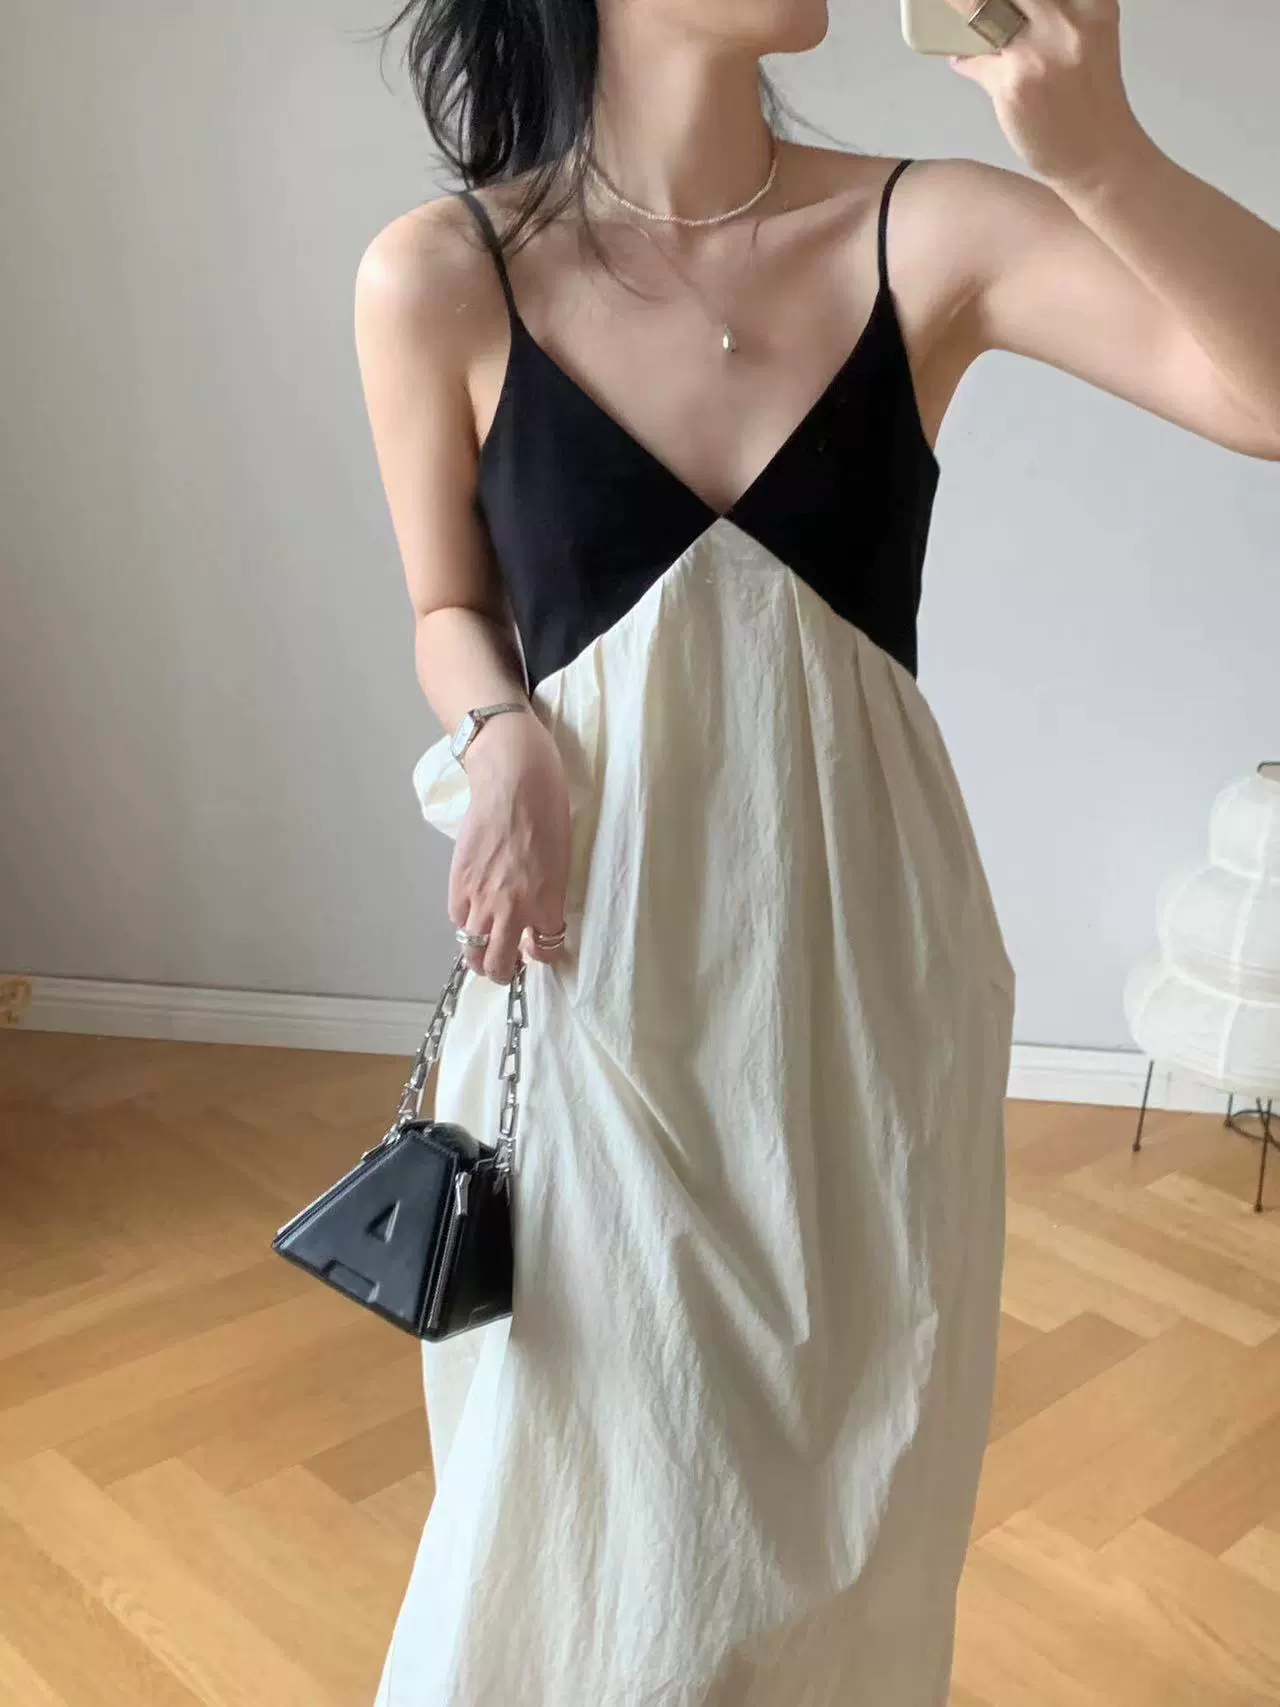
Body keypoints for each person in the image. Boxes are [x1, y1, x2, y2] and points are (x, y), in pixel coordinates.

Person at [354, 0, 1280, 1699]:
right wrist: (499, 734)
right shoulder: (442, 274)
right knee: (602, 1540)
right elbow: (444, 604)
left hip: (868, 1005)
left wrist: (1102, 157)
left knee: (847, 1552)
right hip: (598, 983)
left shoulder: (924, 231)